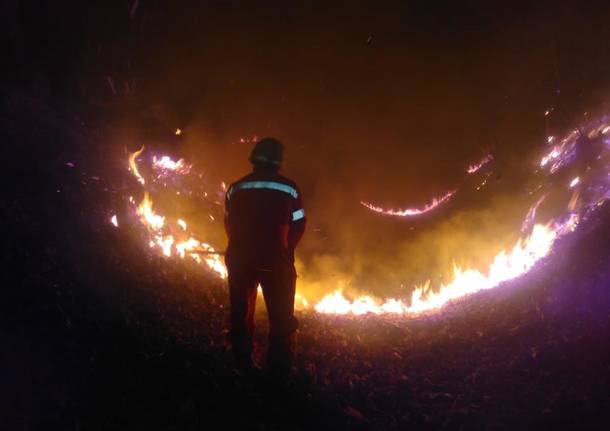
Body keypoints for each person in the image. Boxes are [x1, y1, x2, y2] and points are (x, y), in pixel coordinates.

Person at [224, 137, 306, 377]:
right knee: (281, 317)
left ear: (254, 158)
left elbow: (228, 222)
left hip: (240, 259)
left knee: (240, 312)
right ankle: (279, 369)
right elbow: (299, 223)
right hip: (275, 262)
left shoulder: (236, 188)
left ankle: (241, 363)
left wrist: (238, 246)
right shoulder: (290, 188)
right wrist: (286, 250)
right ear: (279, 161)